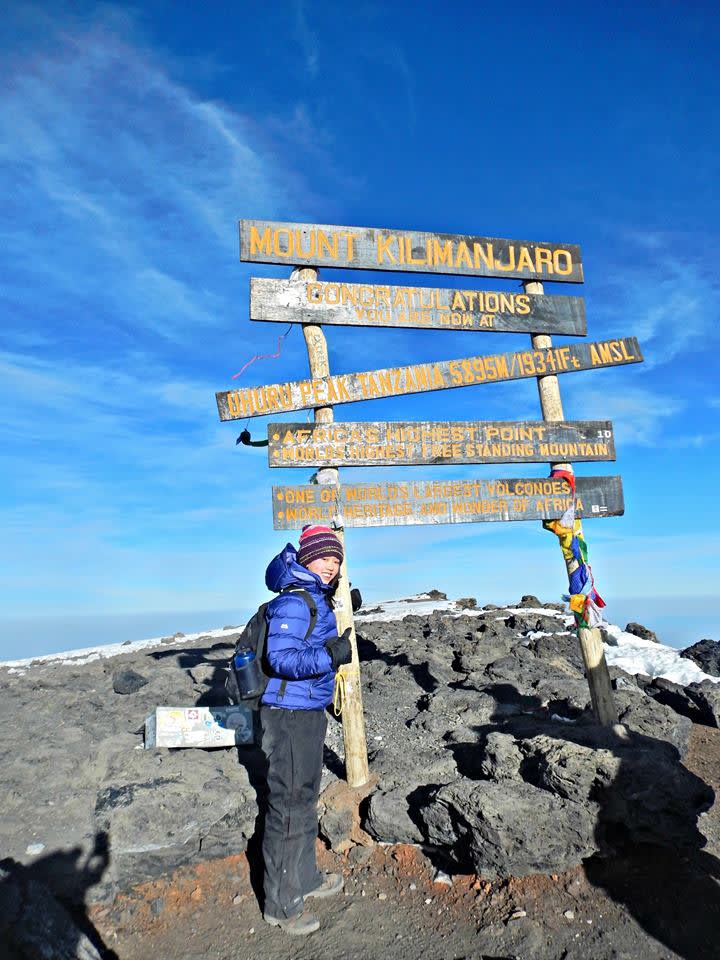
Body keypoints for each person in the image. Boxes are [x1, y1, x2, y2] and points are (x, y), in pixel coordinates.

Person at [260, 524, 353, 936]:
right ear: (305, 558)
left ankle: (305, 877)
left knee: (304, 798)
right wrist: (330, 653)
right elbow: (282, 658)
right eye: (323, 557)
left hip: (307, 710)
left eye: (335, 559)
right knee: (289, 806)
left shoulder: (314, 596)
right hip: (288, 714)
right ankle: (280, 904)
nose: (330, 566)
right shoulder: (295, 600)